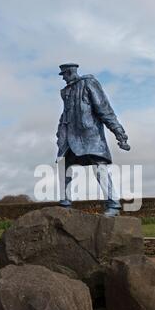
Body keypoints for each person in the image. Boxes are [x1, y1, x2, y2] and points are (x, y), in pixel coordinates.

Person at [56, 63, 130, 216]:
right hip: (70, 136)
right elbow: (66, 113)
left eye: (64, 75)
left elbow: (104, 109)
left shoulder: (88, 83)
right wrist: (60, 131)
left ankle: (113, 204)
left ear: (69, 72)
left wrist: (119, 132)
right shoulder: (66, 91)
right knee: (64, 165)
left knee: (100, 168)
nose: (63, 78)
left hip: (89, 136)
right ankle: (65, 203)